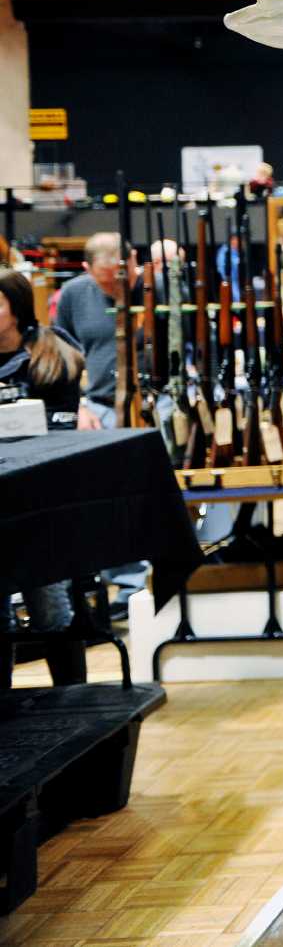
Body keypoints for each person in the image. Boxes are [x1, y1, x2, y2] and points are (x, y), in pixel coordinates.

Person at [0, 268, 88, 685]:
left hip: (42, 502)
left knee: (50, 604)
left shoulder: (53, 355)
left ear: (14, 308)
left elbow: (61, 431)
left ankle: (74, 704)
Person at [53, 232, 123, 430]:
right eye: (105, 282)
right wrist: (79, 406)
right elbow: (61, 356)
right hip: (98, 405)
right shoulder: (72, 293)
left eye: (119, 277)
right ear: (87, 269)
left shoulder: (157, 287)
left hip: (159, 401)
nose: (113, 288)